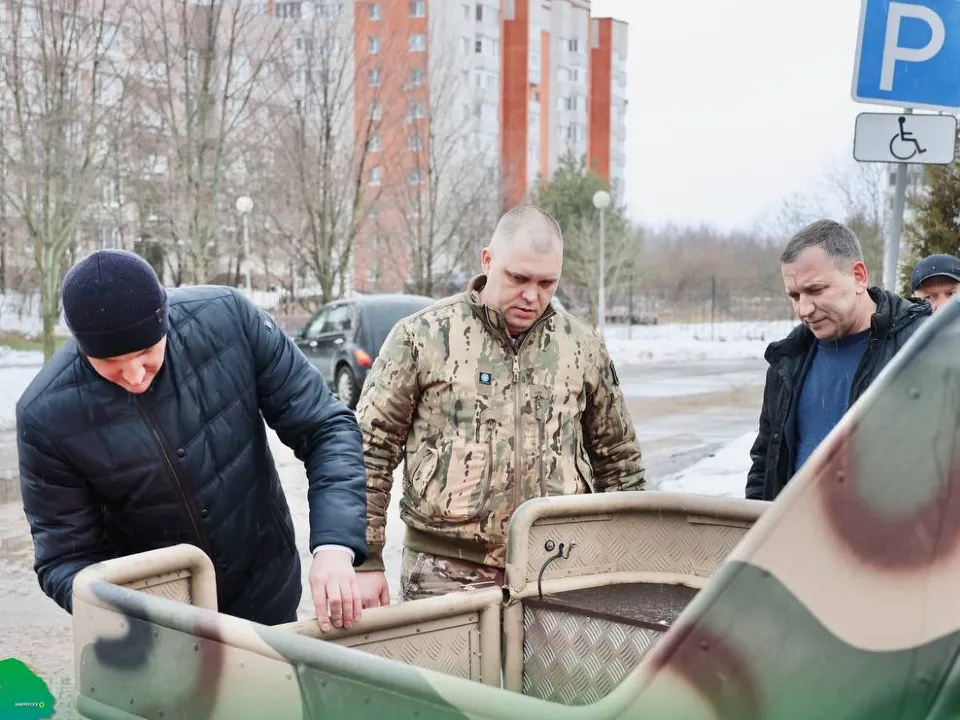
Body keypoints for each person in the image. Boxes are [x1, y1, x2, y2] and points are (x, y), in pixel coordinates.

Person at [17, 249, 367, 631]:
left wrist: (334, 546)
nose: (134, 375)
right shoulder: (46, 413)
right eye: (111, 366)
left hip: (267, 594)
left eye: (146, 352)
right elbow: (65, 560)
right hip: (160, 629)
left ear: (164, 321)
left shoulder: (228, 320)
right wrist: (131, 619)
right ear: (83, 350)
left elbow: (325, 427)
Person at [352, 204, 646, 605]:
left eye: (547, 283)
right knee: (445, 673)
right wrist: (364, 559)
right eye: (518, 277)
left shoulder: (581, 347)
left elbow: (619, 461)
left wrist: (629, 562)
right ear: (488, 260)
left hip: (558, 569)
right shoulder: (422, 337)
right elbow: (371, 449)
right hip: (444, 574)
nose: (531, 295)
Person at [745, 219, 930, 502]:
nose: (804, 309)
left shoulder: (922, 348)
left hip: (890, 542)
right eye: (794, 296)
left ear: (858, 276)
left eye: (816, 290)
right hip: (796, 540)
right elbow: (765, 463)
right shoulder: (787, 361)